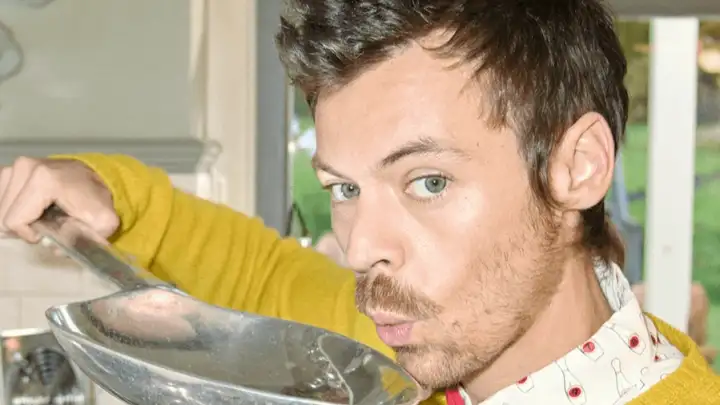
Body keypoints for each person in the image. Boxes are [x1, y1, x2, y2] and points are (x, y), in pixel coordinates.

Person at [0, 0, 718, 404]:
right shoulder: (393, 343)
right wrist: (106, 192)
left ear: (578, 168)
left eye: (428, 181)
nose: (363, 247)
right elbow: (259, 274)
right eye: (344, 188)